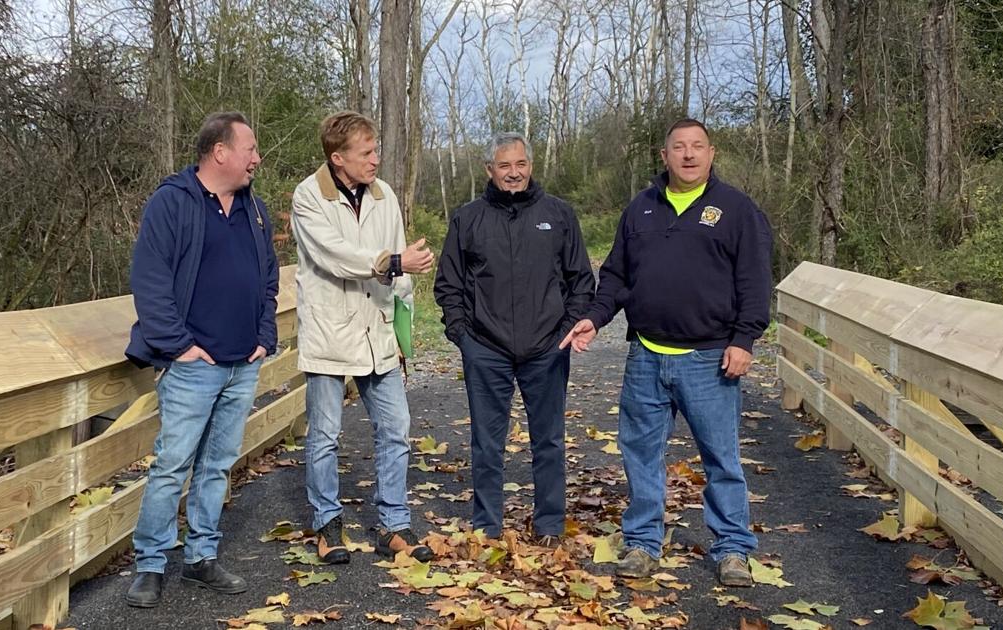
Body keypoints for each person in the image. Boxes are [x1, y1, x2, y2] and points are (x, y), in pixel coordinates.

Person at [560, 118, 773, 587]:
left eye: (698, 146)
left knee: (721, 458)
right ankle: (641, 543)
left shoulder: (736, 210)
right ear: (664, 156)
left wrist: (744, 340)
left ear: (712, 153)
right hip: (647, 356)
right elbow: (615, 275)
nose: (689, 154)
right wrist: (595, 317)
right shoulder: (642, 209)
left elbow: (756, 281)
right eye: (679, 147)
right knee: (640, 453)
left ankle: (733, 548)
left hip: (709, 358)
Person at [123, 112, 279, 607]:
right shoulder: (172, 203)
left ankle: (201, 557)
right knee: (172, 465)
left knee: (217, 466)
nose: (256, 158)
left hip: (242, 362)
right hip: (194, 365)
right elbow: (150, 282)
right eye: (250, 149)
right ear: (220, 152)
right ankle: (150, 564)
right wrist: (180, 347)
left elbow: (269, 278)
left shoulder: (255, 209)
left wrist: (264, 334)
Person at [433, 132, 595, 544]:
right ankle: (487, 525)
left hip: (547, 349)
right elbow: (448, 285)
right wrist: (463, 336)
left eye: (520, 164)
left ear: (531, 166)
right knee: (487, 444)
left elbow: (581, 280)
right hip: (486, 349)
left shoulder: (558, 215)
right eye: (504, 166)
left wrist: (566, 328)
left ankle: (550, 525)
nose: (513, 173)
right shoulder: (468, 218)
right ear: (489, 170)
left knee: (550, 442)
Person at [291, 111, 435, 564]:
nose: (376, 159)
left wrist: (403, 331)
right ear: (338, 158)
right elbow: (336, 257)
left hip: (378, 331)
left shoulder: (383, 193)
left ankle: (393, 525)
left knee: (396, 429)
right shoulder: (308, 196)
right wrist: (393, 262)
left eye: (377, 150)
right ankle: (327, 524)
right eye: (367, 152)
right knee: (325, 436)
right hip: (329, 333)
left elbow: (402, 266)